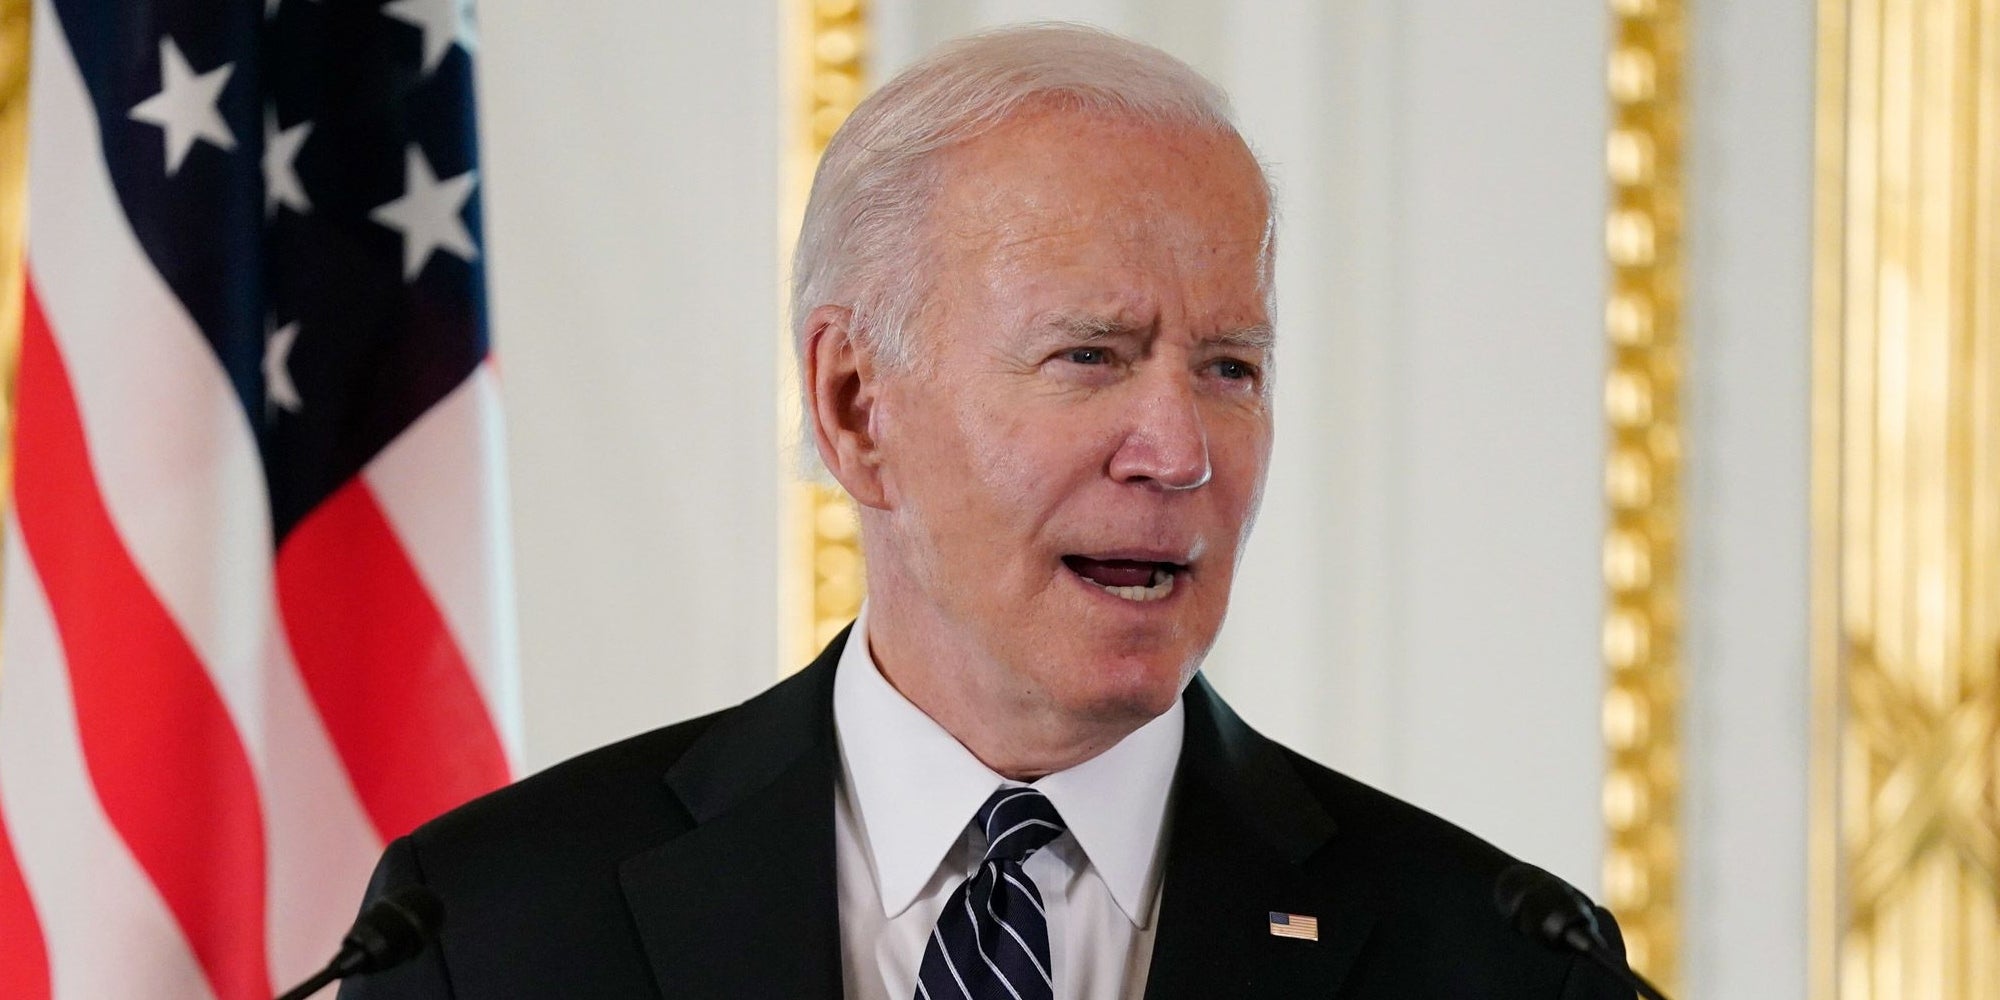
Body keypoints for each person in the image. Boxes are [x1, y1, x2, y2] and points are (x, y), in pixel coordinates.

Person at [342, 24, 1631, 1000]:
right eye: (1091, 356)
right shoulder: (490, 929)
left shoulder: (1501, 960)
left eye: (1230, 366)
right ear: (855, 407)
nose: (1180, 450)